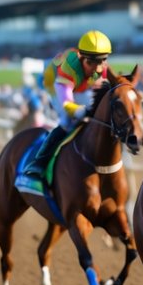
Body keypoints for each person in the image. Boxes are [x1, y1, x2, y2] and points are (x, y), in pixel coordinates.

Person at [23, 30, 113, 180]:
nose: (98, 68)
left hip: (80, 85)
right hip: (55, 83)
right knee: (67, 121)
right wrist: (81, 111)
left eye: (102, 61)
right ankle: (39, 162)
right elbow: (67, 104)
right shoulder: (69, 67)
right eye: (92, 63)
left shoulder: (101, 67)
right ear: (82, 58)